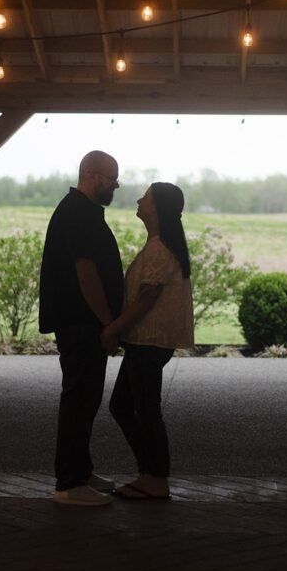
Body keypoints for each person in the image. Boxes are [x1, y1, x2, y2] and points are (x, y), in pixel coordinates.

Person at [39, 150, 124, 506]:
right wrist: (109, 322)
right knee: (78, 400)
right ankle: (69, 484)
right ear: (91, 174)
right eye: (111, 179)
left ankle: (82, 471)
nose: (115, 186)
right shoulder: (78, 214)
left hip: (83, 321)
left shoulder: (82, 211)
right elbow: (86, 274)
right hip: (81, 322)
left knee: (86, 399)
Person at [102, 182, 194, 500]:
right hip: (146, 342)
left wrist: (112, 329)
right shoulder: (159, 243)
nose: (140, 200)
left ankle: (155, 478)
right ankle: (150, 474)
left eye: (147, 197)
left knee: (144, 410)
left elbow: (145, 301)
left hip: (149, 342)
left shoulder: (159, 249)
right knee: (128, 406)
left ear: (158, 208)